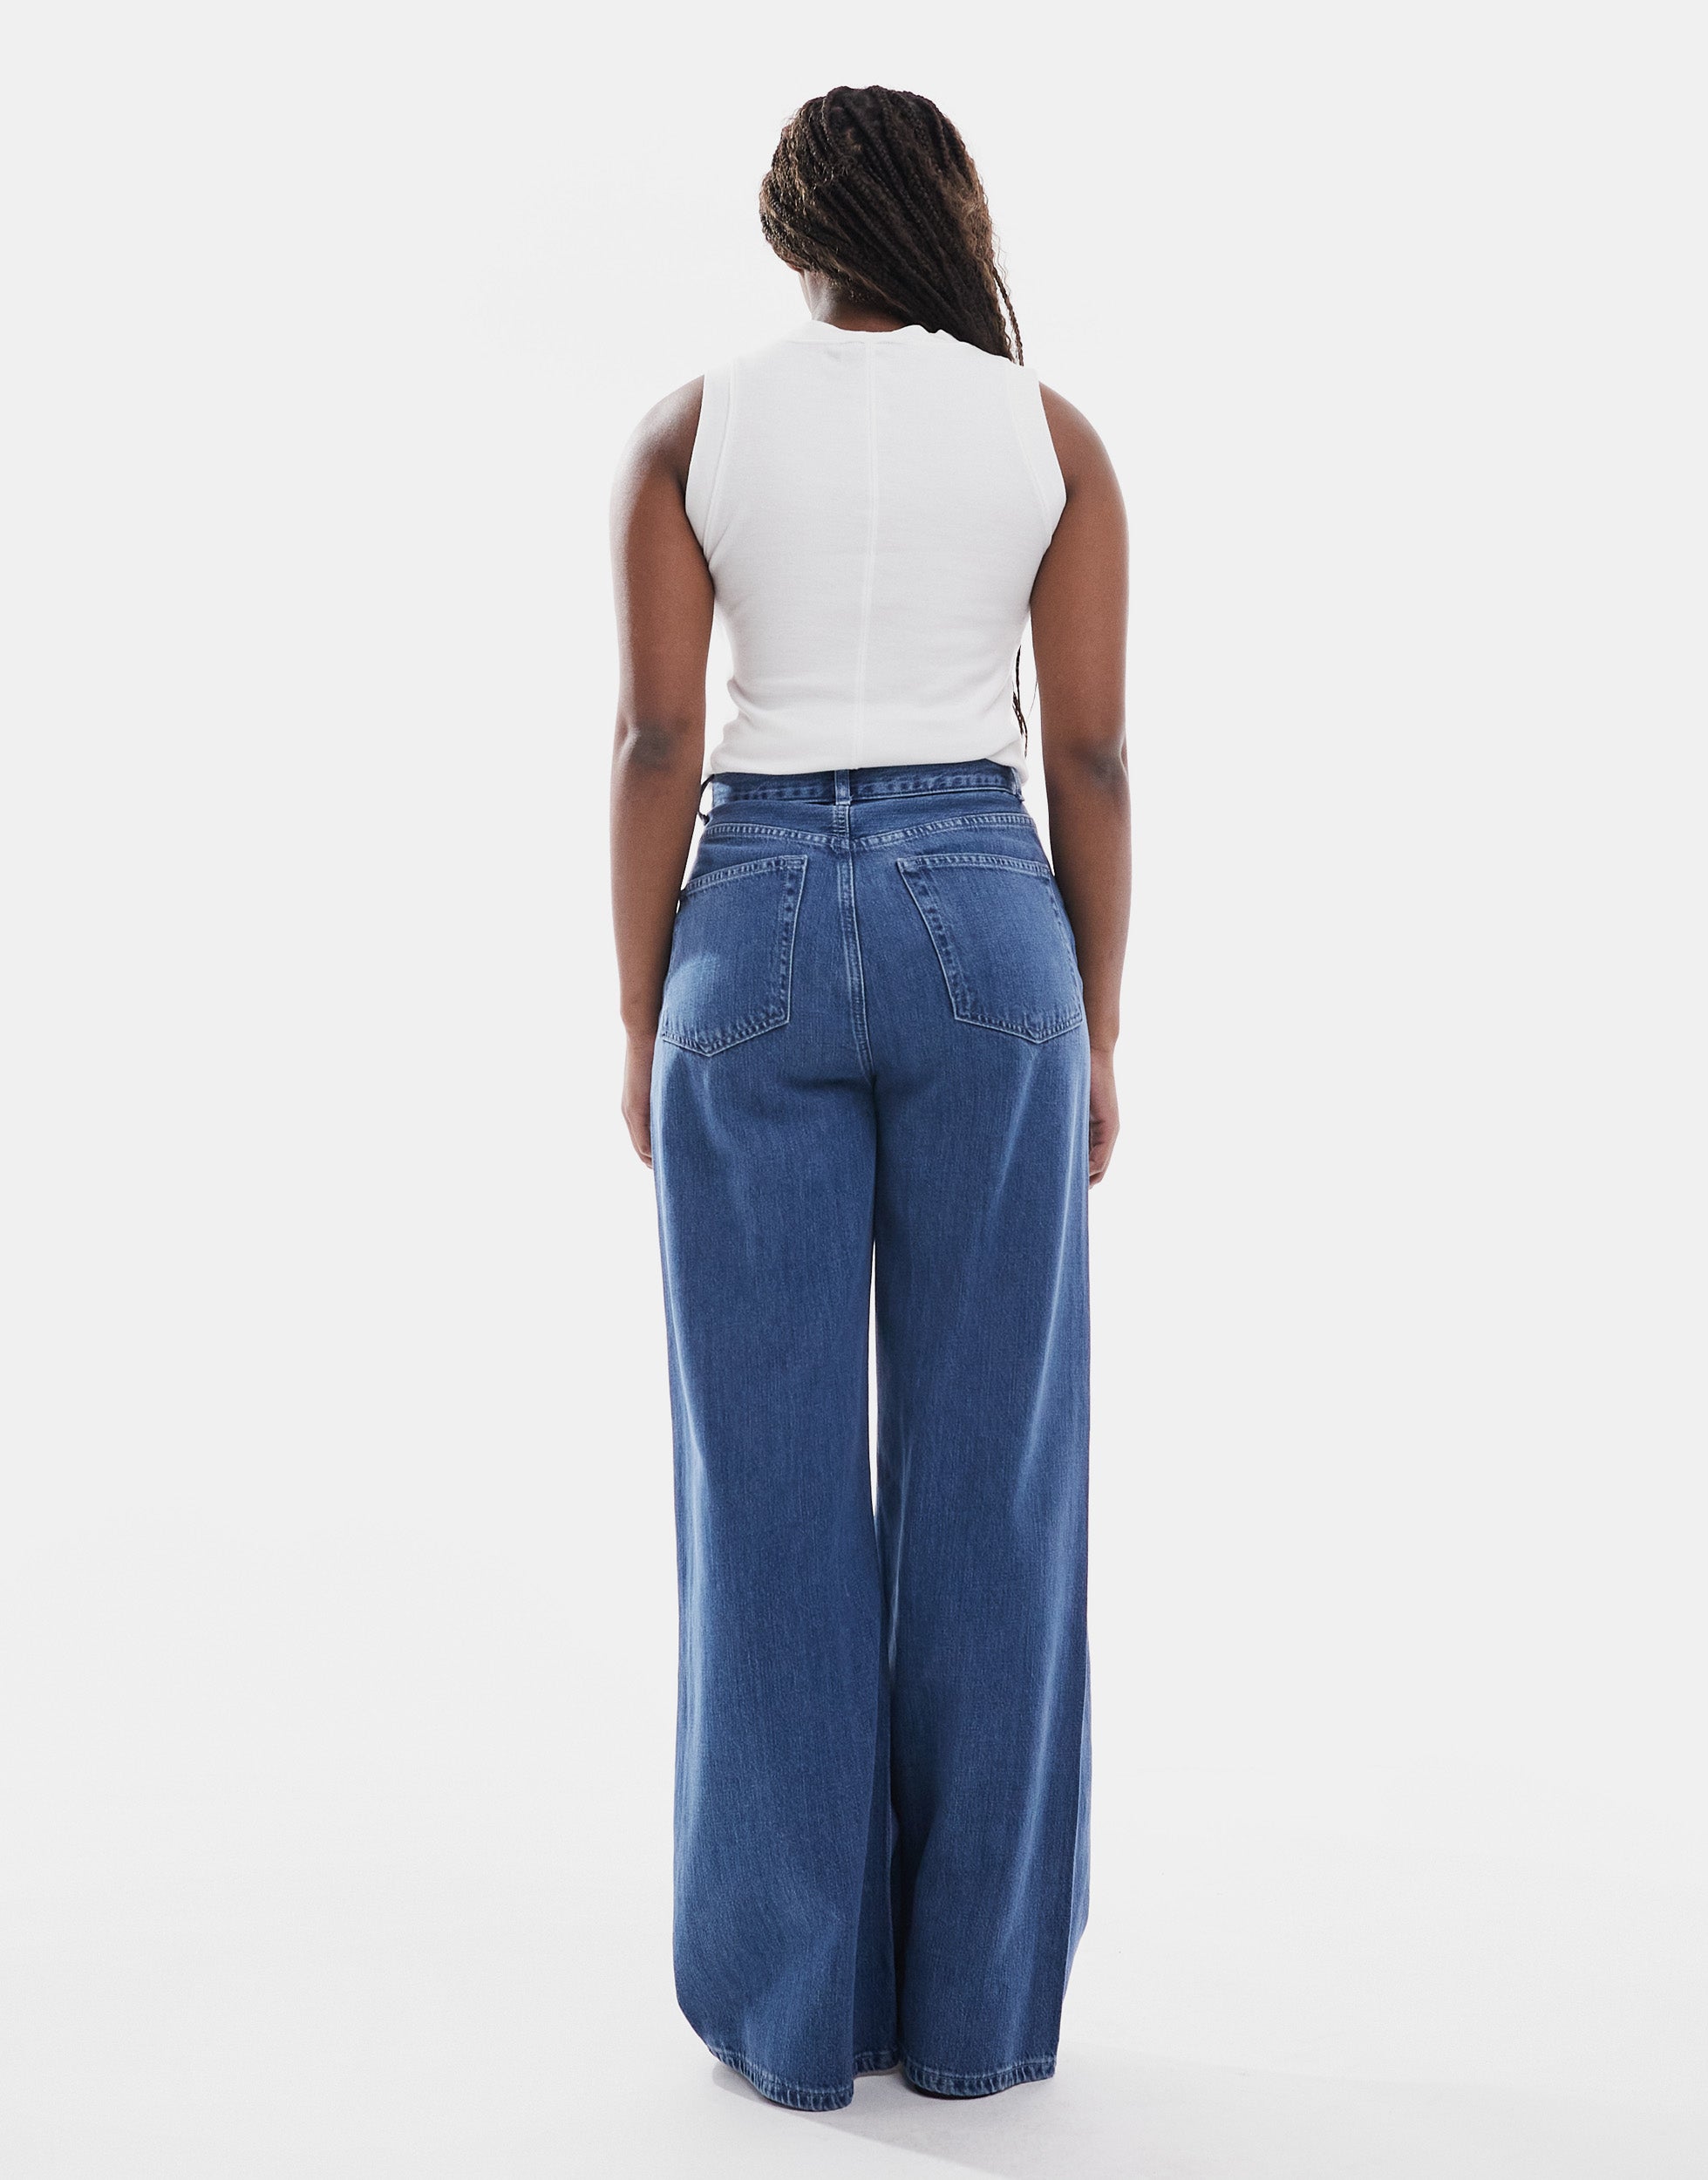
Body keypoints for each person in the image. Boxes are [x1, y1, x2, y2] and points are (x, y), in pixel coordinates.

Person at [608, 84, 1129, 2112]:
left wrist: (637, 1010)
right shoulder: (1047, 437)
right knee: (994, 1477)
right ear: (945, 218)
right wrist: (1098, 1025)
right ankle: (978, 2015)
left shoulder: (692, 428)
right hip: (987, 923)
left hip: (741, 924)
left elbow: (660, 735)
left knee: (764, 1487)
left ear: (791, 231)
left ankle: (798, 2015)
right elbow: (1085, 759)